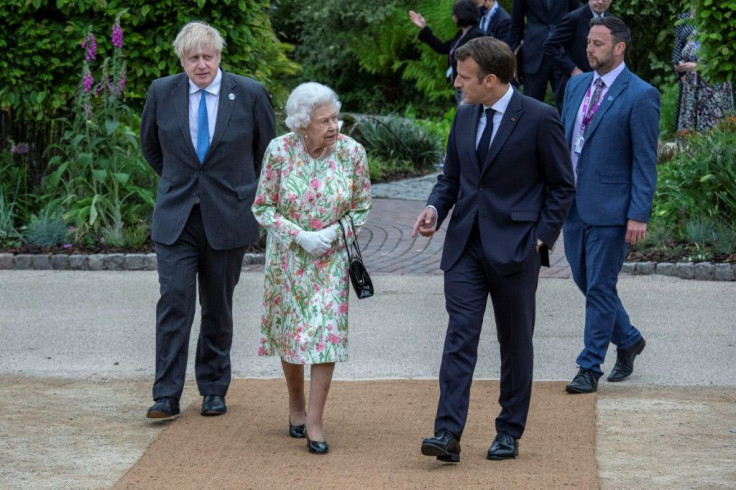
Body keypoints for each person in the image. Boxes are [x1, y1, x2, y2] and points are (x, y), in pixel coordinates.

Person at [412, 36, 575, 463]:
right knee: (459, 338)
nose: (457, 85)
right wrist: (434, 209)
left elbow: (562, 186)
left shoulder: (540, 117)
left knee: (515, 343)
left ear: (490, 78)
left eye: (464, 78)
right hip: (464, 246)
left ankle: (509, 430)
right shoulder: (464, 116)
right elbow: (451, 177)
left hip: (517, 248)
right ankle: (446, 433)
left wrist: (540, 239)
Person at [140, 21, 276, 420]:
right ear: (181, 59)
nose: (202, 64)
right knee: (174, 303)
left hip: (228, 216)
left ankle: (214, 389)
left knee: (217, 306)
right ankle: (166, 394)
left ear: (219, 56)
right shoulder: (162, 92)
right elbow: (150, 147)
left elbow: (265, 153)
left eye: (208, 56)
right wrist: (182, 182)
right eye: (193, 57)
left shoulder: (248, 93)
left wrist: (239, 189)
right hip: (177, 217)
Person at [251, 82, 371, 455]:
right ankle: (296, 405)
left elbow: (362, 206)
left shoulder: (352, 153)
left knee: (326, 335)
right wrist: (299, 236)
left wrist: (335, 232)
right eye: (324, 121)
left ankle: (315, 423)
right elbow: (263, 207)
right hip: (289, 257)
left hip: (332, 258)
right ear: (303, 124)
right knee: (292, 333)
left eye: (336, 117)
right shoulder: (280, 150)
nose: (334, 126)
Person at [560, 16, 659, 394]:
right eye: (588, 42)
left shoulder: (641, 94)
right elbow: (565, 141)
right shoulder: (576, 85)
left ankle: (589, 366)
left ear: (619, 48)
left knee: (600, 286)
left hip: (612, 209)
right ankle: (629, 338)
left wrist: (638, 213)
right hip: (572, 206)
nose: (589, 48)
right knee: (585, 281)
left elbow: (644, 160)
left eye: (598, 43)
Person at [409, 0, 486, 105]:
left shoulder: (477, 35)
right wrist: (424, 28)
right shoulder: (461, 34)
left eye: (454, 15)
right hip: (459, 83)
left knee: (467, 114)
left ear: (461, 15)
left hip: (470, 85)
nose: (453, 18)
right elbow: (442, 48)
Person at [544, 0, 613, 113]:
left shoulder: (612, 21)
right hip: (576, 85)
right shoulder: (574, 18)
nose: (601, 2)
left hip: (601, 84)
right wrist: (572, 69)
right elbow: (550, 46)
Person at [672, 8, 734, 134]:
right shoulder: (685, 21)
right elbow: (678, 53)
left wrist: (697, 67)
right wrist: (681, 72)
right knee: (690, 133)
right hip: (691, 86)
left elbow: (725, 60)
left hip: (713, 86)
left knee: (714, 130)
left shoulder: (721, 20)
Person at [509, 0, 579, 102]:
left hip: (563, 52)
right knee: (532, 105)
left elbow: (576, 18)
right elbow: (516, 25)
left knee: (567, 104)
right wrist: (512, 58)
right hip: (533, 54)